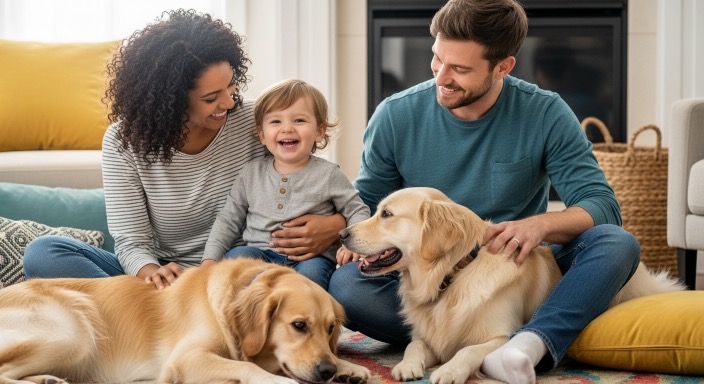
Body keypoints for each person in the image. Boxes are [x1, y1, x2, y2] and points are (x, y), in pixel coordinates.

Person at [328, 0, 640, 383]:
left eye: (460, 69)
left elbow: (602, 206)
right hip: (428, 272)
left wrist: (538, 226)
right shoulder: (395, 115)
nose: (442, 77)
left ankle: (530, 343)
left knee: (615, 243)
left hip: (510, 271)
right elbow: (366, 204)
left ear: (503, 67)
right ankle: (503, 336)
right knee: (347, 286)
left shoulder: (546, 113)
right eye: (436, 60)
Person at [23, 9, 345, 290]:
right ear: (171, 100)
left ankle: (158, 325)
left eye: (232, 87)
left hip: (239, 273)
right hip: (166, 279)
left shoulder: (255, 121)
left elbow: (312, 179)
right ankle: (163, 316)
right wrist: (152, 273)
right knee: (44, 253)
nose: (229, 102)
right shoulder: (124, 142)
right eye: (211, 98)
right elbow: (132, 243)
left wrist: (335, 225)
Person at [202, 79, 369, 289]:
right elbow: (228, 220)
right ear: (262, 135)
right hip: (259, 252)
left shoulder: (329, 174)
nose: (287, 128)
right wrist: (209, 260)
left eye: (299, 120)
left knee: (311, 281)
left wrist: (352, 244)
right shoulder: (250, 173)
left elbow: (357, 210)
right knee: (236, 259)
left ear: (319, 131)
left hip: (310, 258)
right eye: (275, 122)